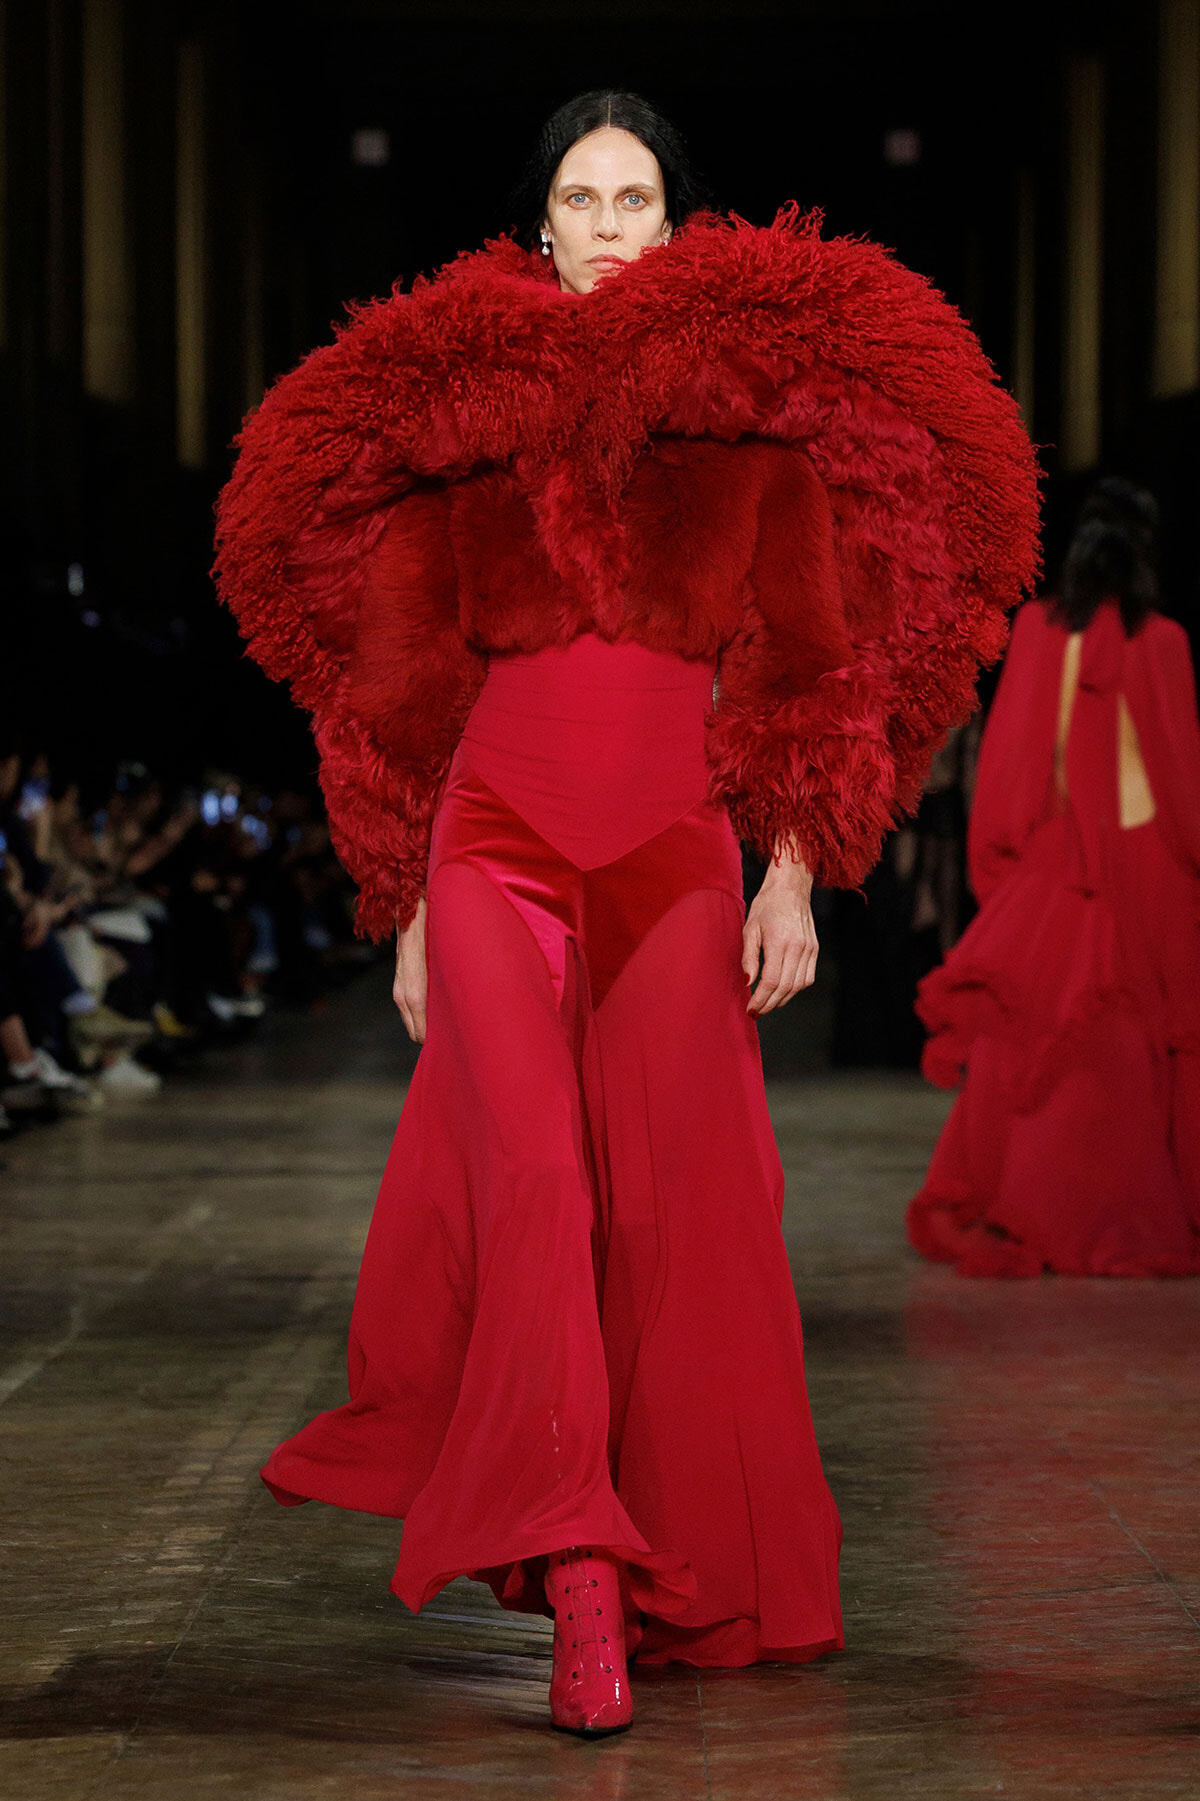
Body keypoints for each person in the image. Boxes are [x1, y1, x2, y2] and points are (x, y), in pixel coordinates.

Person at [215, 90, 1038, 1734]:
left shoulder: (749, 418)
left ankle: (682, 1572)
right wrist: (405, 906)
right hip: (496, 833)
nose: (604, 223)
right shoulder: (463, 413)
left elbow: (806, 649)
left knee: (681, 1212)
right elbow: (401, 665)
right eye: (580, 198)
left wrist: (796, 858)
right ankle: (579, 1576)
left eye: (634, 197)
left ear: (676, 227)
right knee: (528, 1187)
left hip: (677, 845)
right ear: (541, 226)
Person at [909, 478, 1200, 1277]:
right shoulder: (1164, 641)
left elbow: (1006, 773)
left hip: (1055, 864)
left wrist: (1000, 869)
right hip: (1148, 871)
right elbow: (1179, 787)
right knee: (1145, 1047)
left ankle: (1030, 1202)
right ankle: (1143, 1206)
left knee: (1037, 1033)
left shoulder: (1038, 629)